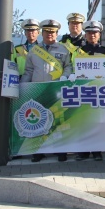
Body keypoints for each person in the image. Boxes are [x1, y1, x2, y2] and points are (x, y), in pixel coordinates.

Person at [21, 19, 72, 163]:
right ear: (42, 33)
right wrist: (23, 86)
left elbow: (68, 66)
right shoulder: (34, 51)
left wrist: (64, 77)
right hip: (38, 90)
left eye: (53, 32)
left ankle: (60, 150)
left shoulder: (63, 50)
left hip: (56, 90)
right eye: (47, 32)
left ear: (57, 34)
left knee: (58, 121)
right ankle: (39, 151)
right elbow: (28, 71)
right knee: (39, 121)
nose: (50, 34)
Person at [75, 20, 105, 161]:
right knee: (82, 122)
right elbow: (73, 67)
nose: (92, 35)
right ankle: (83, 151)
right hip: (82, 90)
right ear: (85, 34)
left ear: (99, 34)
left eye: (95, 33)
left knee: (98, 122)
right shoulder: (78, 51)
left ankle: (97, 151)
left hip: (99, 90)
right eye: (89, 33)